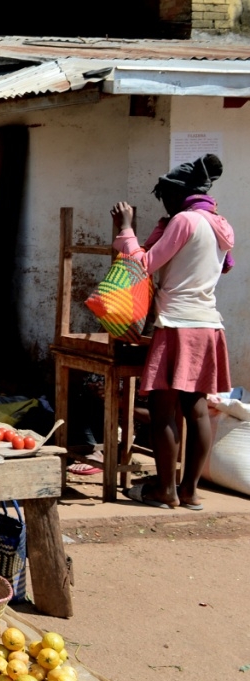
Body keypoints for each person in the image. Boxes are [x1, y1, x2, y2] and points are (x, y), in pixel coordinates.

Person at [112, 154, 234, 510]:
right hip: (208, 324)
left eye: (165, 197)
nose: (163, 204)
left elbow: (143, 265)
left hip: (177, 323)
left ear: (179, 196)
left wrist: (126, 227)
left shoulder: (184, 221)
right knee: (195, 409)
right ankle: (190, 491)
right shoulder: (220, 223)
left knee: (164, 410)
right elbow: (220, 266)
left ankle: (165, 489)